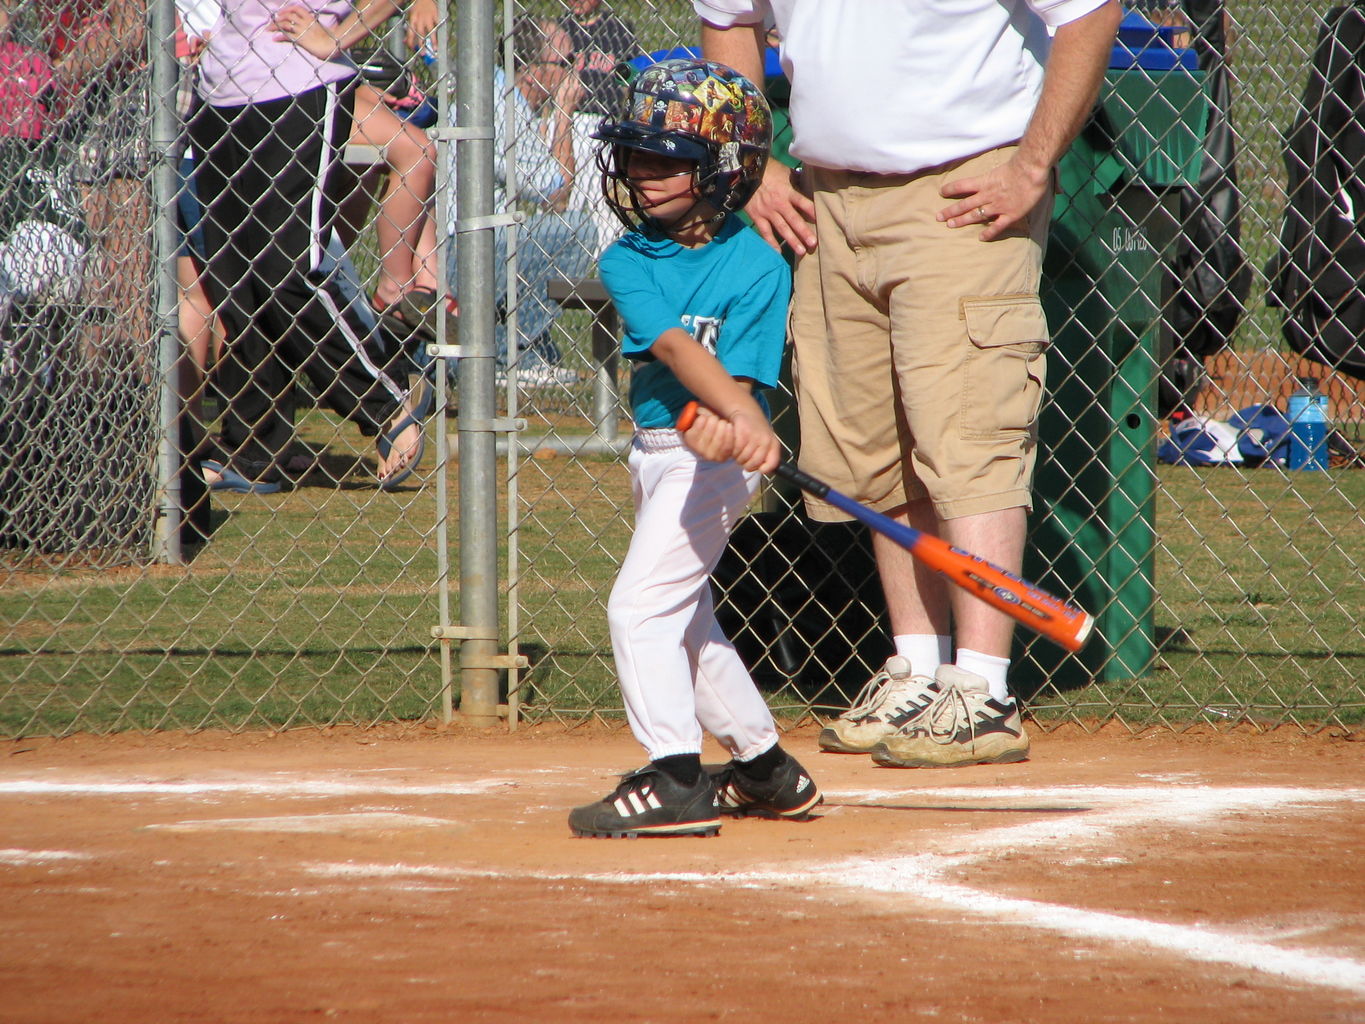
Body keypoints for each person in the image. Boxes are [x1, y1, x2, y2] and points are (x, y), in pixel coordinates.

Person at [694, 0, 1122, 768]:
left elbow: (1088, 12)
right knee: (875, 443)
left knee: (968, 433)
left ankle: (983, 689)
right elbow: (726, 17)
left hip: (963, 192)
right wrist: (753, 161)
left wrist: (1032, 163)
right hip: (825, 199)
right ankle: (919, 672)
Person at [567, 59, 820, 839]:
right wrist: (740, 416)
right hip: (664, 451)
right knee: (683, 619)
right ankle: (764, 769)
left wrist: (737, 426)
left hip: (709, 465)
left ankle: (674, 776)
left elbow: (735, 377)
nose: (643, 177)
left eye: (666, 162)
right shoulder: (626, 259)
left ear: (722, 172)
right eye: (636, 158)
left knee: (639, 609)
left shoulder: (756, 263)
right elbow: (677, 351)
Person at [189, 0, 430, 493]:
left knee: (287, 271)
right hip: (216, 97)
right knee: (234, 285)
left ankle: (387, 400)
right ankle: (253, 446)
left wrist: (338, 37)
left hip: (299, 86)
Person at [444, 15, 597, 387]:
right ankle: (514, 355)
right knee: (578, 229)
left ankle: (525, 350)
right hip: (461, 252)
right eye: (565, 62)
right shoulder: (505, 107)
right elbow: (557, 195)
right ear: (530, 70)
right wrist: (563, 113)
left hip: (468, 244)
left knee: (536, 234)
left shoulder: (497, 97)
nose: (574, 70)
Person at [561, 0, 642, 259]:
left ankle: (606, 255)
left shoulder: (618, 28)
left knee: (602, 194)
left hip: (603, 121)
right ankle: (564, 252)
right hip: (568, 119)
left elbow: (629, 80)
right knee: (567, 195)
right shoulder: (562, 30)